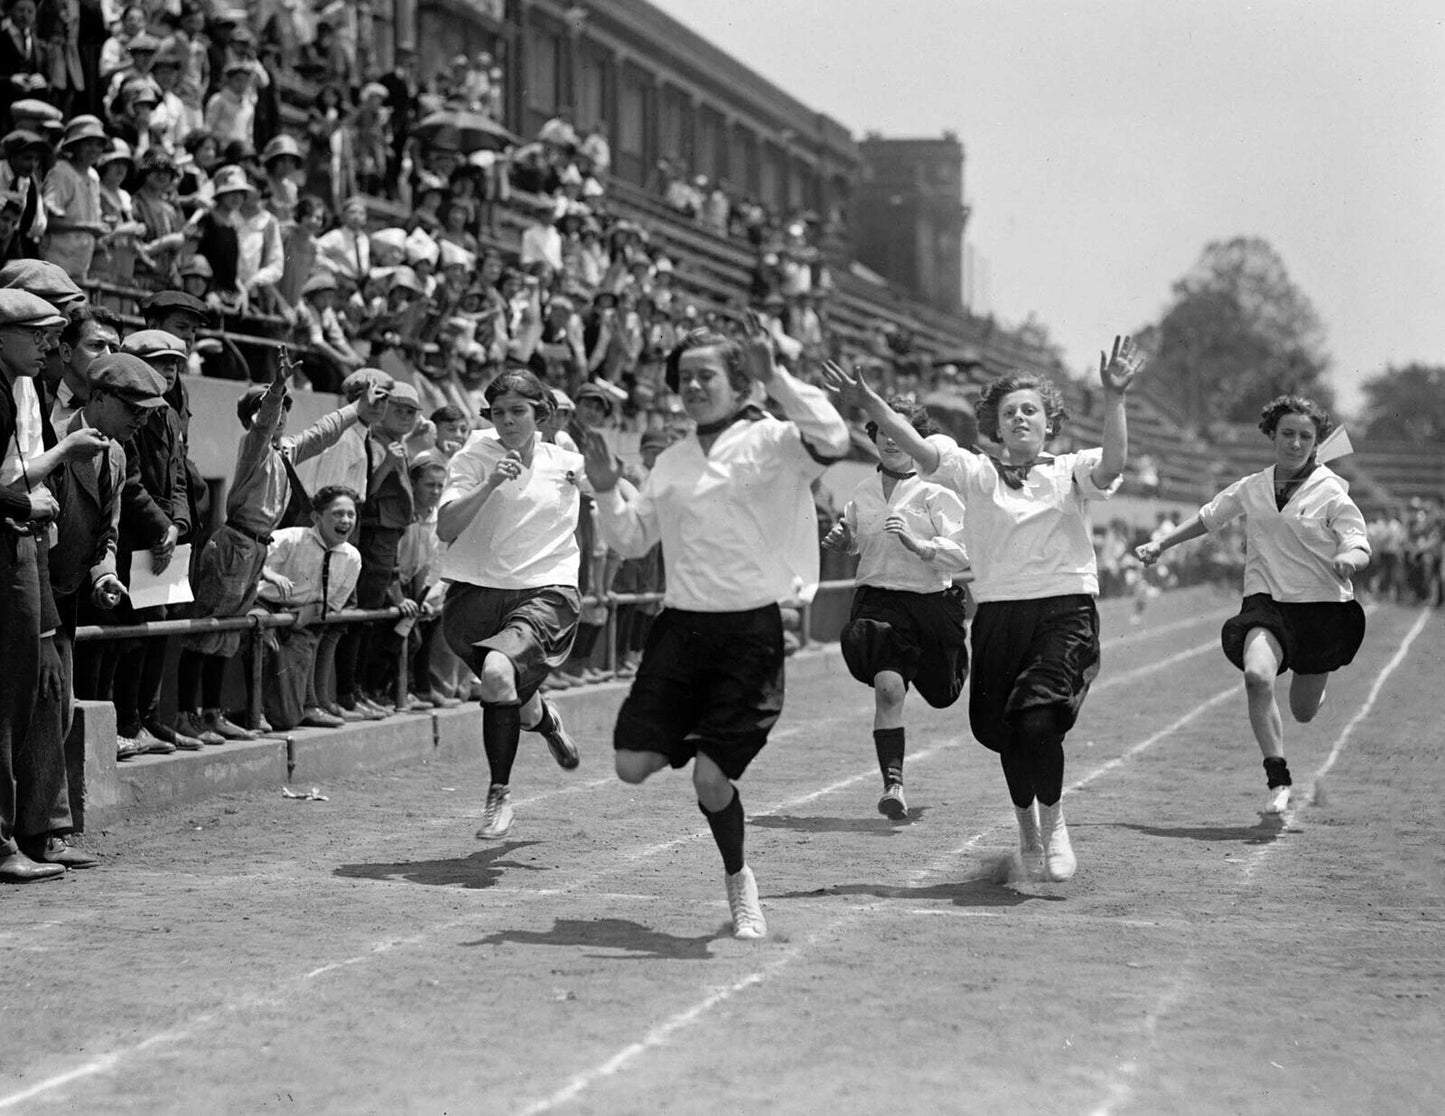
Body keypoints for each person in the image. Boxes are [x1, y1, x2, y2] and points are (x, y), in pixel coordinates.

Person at [823, 336, 1143, 883]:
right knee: (1005, 731)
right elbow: (918, 448)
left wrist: (1113, 398)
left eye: (1031, 410)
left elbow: (1114, 462)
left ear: (1049, 422)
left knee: (1038, 718)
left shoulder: (1070, 471)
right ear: (994, 423)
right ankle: (1026, 828)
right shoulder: (973, 471)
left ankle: (1056, 821)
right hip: (999, 617)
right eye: (1009, 411)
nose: (1020, 417)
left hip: (1063, 612)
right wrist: (872, 406)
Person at [580, 317, 851, 939]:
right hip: (679, 633)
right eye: (686, 378)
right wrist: (603, 491)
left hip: (747, 635)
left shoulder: (774, 441)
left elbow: (832, 437)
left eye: (709, 376)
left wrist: (779, 375)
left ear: (739, 383)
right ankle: (692, 757)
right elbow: (630, 537)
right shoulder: (672, 460)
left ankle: (738, 882)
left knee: (710, 777)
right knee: (629, 764)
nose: (694, 386)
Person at [1136, 395, 1370, 816]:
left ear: (1316, 443)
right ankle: (1278, 778)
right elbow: (1210, 517)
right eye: (1287, 434)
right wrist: (1161, 543)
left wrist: (1349, 559)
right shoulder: (1253, 486)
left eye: (1305, 436)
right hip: (1267, 603)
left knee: (1302, 711)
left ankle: (1316, 673)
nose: (1295, 443)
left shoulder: (1332, 491)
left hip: (1320, 609)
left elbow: (1357, 541)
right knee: (1257, 677)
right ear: (1272, 435)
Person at [19, 351, 168, 866]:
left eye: (148, 413)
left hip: (67, 598)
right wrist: (43, 622)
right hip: (31, 592)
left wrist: (105, 575)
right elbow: (33, 537)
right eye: (133, 409)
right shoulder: (56, 442)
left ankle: (42, 832)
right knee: (42, 708)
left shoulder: (119, 455)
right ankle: (38, 834)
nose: (141, 421)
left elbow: (108, 533)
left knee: (54, 711)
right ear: (98, 399)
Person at [437, 368, 587, 840]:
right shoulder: (473, 454)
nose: (507, 422)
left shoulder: (568, 462)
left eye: (518, 412)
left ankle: (498, 796)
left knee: (500, 674)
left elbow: (601, 509)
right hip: (477, 595)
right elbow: (445, 527)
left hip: (547, 590)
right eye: (498, 413)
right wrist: (489, 485)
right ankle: (544, 721)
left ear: (540, 414)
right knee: (511, 692)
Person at [821, 395, 970, 820]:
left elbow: (964, 554)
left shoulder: (936, 489)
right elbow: (859, 541)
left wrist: (921, 545)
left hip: (931, 605)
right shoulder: (863, 491)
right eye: (882, 431)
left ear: (915, 438)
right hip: (880, 601)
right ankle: (893, 785)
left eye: (899, 432)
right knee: (888, 689)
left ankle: (922, 665)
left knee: (943, 694)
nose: (890, 439)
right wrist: (844, 541)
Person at [254, 484, 363, 731]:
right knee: (256, 637)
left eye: (351, 514)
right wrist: (270, 578)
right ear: (317, 517)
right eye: (337, 514)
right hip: (266, 608)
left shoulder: (352, 557)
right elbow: (255, 561)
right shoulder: (291, 539)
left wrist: (309, 612)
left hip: (302, 619)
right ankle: (254, 711)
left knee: (286, 719)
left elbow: (333, 603)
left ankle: (301, 707)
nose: (345, 520)